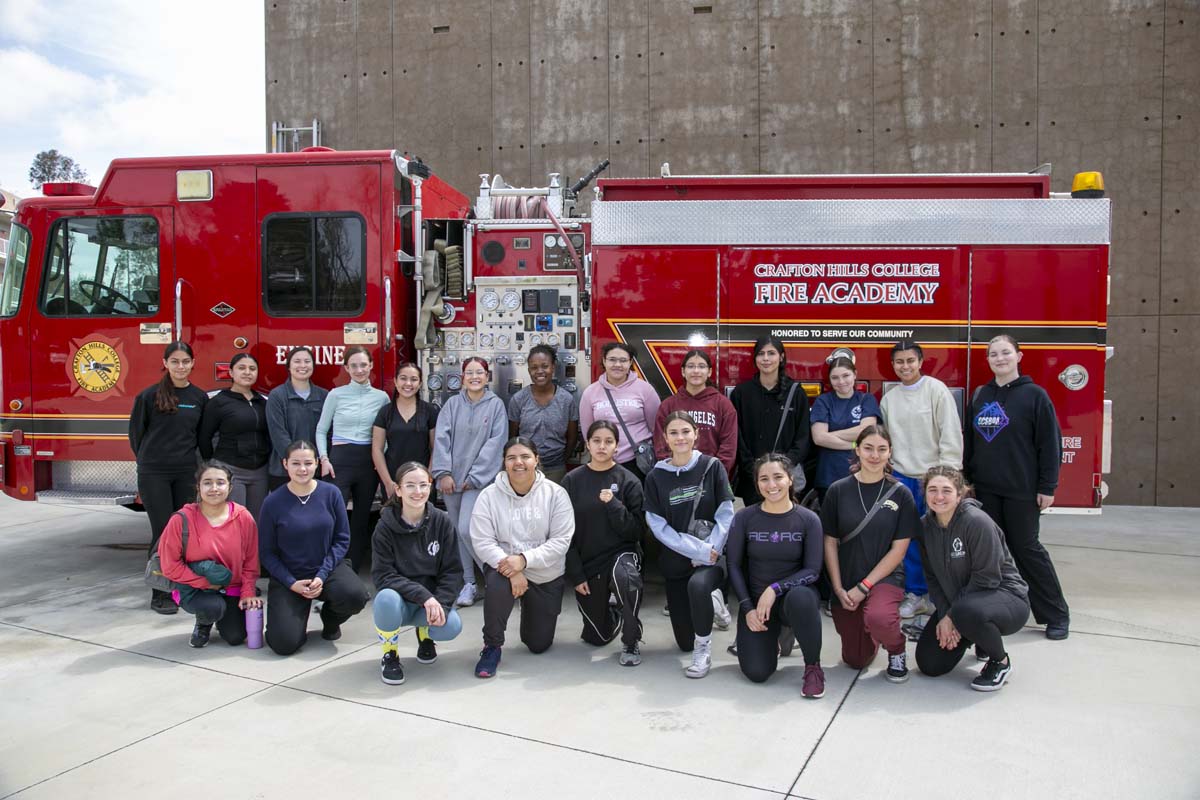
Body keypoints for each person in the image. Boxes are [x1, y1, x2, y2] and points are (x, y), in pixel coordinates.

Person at [965, 335, 1070, 640]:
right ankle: (999, 609)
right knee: (992, 553)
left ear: (1018, 356)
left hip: (1021, 490)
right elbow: (971, 443)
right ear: (988, 360)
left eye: (1005, 353)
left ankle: (1055, 615)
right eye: (993, 354)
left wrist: (1047, 486)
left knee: (1027, 549)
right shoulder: (981, 395)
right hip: (986, 489)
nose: (999, 358)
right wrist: (968, 481)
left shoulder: (1035, 396)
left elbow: (1050, 445)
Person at [916, 466, 1030, 692]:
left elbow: (986, 578)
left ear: (961, 494)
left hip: (1006, 599)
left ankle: (1000, 662)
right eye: (933, 490)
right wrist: (943, 614)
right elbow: (932, 577)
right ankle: (974, 634)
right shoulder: (924, 526)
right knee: (930, 664)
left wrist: (951, 616)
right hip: (962, 606)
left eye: (947, 491)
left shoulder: (977, 522)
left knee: (967, 612)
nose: (939, 497)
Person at [470, 437, 575, 678]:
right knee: (497, 583)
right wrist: (515, 568)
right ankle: (492, 646)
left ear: (536, 460)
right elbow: (482, 541)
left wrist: (525, 560)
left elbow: (561, 541)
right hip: (506, 570)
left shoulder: (555, 494)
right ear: (504, 463)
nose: (519, 463)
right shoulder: (489, 496)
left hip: (545, 573)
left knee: (538, 644)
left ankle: (530, 608)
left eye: (525, 456)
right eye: (511, 457)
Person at [821, 425, 918, 683]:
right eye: (868, 448)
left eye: (882, 449)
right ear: (857, 450)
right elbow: (829, 542)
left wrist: (864, 587)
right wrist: (839, 588)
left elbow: (899, 550)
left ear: (890, 453)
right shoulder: (838, 490)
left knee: (879, 617)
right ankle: (871, 631)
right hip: (848, 577)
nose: (875, 455)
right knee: (856, 660)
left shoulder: (901, 494)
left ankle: (896, 648)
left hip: (885, 577)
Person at [644, 411, 736, 678]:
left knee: (698, 586)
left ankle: (703, 647)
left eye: (686, 431)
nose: (680, 437)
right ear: (665, 438)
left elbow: (726, 513)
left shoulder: (712, 466)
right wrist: (695, 550)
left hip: (712, 555)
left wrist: (710, 550)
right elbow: (658, 525)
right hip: (678, 558)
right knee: (682, 641)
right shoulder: (656, 476)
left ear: (696, 433)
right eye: (674, 433)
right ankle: (714, 605)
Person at [727, 454, 826, 698]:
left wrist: (774, 589)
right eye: (764, 479)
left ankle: (813, 667)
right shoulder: (744, 517)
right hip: (758, 605)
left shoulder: (808, 519)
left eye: (778, 477)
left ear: (791, 479)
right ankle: (776, 636)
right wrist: (747, 608)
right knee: (757, 673)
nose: (772, 485)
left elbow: (813, 570)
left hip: (792, 599)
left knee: (801, 599)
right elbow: (734, 565)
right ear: (757, 484)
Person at [258, 440, 369, 656]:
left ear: (317, 464)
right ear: (285, 464)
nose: (302, 469)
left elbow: (342, 539)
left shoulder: (331, 494)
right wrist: (291, 583)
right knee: (283, 644)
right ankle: (296, 614)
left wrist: (322, 574)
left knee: (355, 596)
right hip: (289, 576)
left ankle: (330, 618)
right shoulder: (273, 502)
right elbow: (266, 552)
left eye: (308, 463)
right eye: (296, 463)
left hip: (326, 569)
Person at [878, 339, 963, 622]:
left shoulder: (935, 391)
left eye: (910, 361)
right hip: (903, 477)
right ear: (893, 365)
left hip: (933, 478)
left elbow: (950, 434)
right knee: (909, 540)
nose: (905, 366)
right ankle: (916, 595)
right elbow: (888, 440)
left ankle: (944, 595)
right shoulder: (890, 398)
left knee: (940, 539)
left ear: (920, 361)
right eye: (899, 362)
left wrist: (947, 477)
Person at [129, 341, 208, 614]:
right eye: (175, 361)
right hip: (155, 474)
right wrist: (151, 461)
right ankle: (160, 592)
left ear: (193, 363)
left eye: (185, 361)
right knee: (164, 532)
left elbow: (200, 439)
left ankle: (182, 586)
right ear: (165, 364)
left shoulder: (199, 398)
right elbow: (136, 437)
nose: (181, 367)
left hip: (185, 472)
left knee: (185, 532)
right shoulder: (148, 397)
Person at [371, 462, 465, 686]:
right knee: (385, 598)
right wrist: (424, 596)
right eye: (410, 485)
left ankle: (425, 635)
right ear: (398, 489)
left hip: (429, 603)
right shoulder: (384, 527)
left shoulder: (442, 521)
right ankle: (389, 652)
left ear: (431, 487)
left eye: (423, 485)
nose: (418, 491)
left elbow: (452, 571)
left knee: (451, 626)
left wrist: (440, 604)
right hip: (401, 602)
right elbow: (383, 575)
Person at [563, 421, 646, 666]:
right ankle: (616, 611)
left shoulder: (629, 481)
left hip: (622, 555)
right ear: (587, 444)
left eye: (608, 441)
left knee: (626, 578)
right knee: (596, 638)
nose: (602, 446)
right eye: (596, 441)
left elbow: (636, 532)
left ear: (617, 447)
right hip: (590, 561)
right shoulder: (572, 480)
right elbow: (562, 533)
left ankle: (631, 639)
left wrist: (613, 505)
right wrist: (576, 575)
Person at [156, 460, 262, 648]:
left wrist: (247, 592)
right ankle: (204, 622)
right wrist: (206, 583)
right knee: (213, 607)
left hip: (231, 585)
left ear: (230, 487)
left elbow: (251, 561)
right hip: (194, 587)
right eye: (207, 483)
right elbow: (169, 565)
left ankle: (221, 615)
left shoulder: (243, 517)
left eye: (220, 482)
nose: (214, 488)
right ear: (198, 487)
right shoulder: (181, 519)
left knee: (236, 637)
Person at [432, 356, 508, 608]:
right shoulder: (452, 405)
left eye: (480, 372)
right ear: (462, 377)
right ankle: (469, 583)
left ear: (488, 377)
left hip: (479, 482)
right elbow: (441, 439)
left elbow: (496, 443)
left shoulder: (496, 405)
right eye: (469, 373)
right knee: (456, 533)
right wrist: (443, 473)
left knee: (467, 528)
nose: (475, 377)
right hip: (451, 481)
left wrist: (475, 477)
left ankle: (496, 574)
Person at [314, 346, 390, 572]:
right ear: (346, 368)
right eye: (354, 366)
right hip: (340, 460)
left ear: (371, 366)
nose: (359, 370)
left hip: (367, 462)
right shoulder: (335, 394)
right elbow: (321, 430)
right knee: (333, 518)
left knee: (360, 520)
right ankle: (329, 570)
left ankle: (353, 571)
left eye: (363, 365)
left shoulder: (381, 397)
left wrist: (381, 457)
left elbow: (384, 432)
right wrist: (324, 459)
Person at [730, 335, 811, 506]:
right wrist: (752, 467)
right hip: (751, 480)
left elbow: (803, 438)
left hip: (784, 479)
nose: (766, 359)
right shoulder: (741, 393)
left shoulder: (796, 393)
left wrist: (784, 466)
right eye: (761, 354)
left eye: (771, 353)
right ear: (755, 358)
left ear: (781, 357)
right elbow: (736, 436)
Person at [198, 352, 271, 520]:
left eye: (252, 369)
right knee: (233, 520)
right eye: (242, 368)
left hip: (259, 472)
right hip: (230, 470)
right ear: (231, 373)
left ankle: (253, 548)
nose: (247, 372)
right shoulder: (219, 402)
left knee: (255, 522)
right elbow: (204, 438)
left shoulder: (263, 402)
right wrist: (213, 466)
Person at [578, 341, 661, 481]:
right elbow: (588, 433)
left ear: (630, 363)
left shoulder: (645, 390)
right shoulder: (590, 393)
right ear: (604, 361)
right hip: (603, 462)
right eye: (612, 360)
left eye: (623, 360)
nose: (617, 365)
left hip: (637, 462)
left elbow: (656, 428)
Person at [654, 349, 738, 477]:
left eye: (702, 366)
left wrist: (715, 474)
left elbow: (729, 446)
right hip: (676, 475)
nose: (696, 371)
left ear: (709, 371)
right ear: (683, 371)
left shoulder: (723, 405)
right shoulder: (668, 405)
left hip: (711, 476)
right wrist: (671, 470)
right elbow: (660, 443)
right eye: (691, 366)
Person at [810, 355, 880, 502]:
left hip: (862, 474)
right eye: (835, 377)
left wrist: (830, 435)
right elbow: (819, 438)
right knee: (831, 523)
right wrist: (854, 445)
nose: (841, 382)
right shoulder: (823, 401)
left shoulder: (866, 399)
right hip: (829, 477)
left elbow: (867, 431)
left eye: (846, 375)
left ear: (855, 374)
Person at [507, 344, 579, 484]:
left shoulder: (566, 400)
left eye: (544, 366)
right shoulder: (519, 399)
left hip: (556, 469)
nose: (539, 371)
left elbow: (572, 437)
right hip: (524, 468)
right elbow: (512, 437)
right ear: (528, 370)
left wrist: (561, 460)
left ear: (553, 367)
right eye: (534, 367)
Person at [373, 362, 440, 499]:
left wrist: (428, 480)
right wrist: (388, 483)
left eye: (414, 379)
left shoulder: (429, 411)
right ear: (395, 381)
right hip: (393, 480)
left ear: (420, 384)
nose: (408, 383)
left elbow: (436, 448)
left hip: (421, 482)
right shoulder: (385, 412)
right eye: (403, 378)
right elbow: (377, 450)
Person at [266, 346, 328, 492]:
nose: (302, 365)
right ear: (288, 366)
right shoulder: (277, 396)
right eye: (297, 361)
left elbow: (328, 432)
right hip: (283, 472)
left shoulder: (324, 396)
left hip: (314, 471)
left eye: (307, 361)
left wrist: (312, 464)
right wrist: (295, 464)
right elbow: (278, 434)